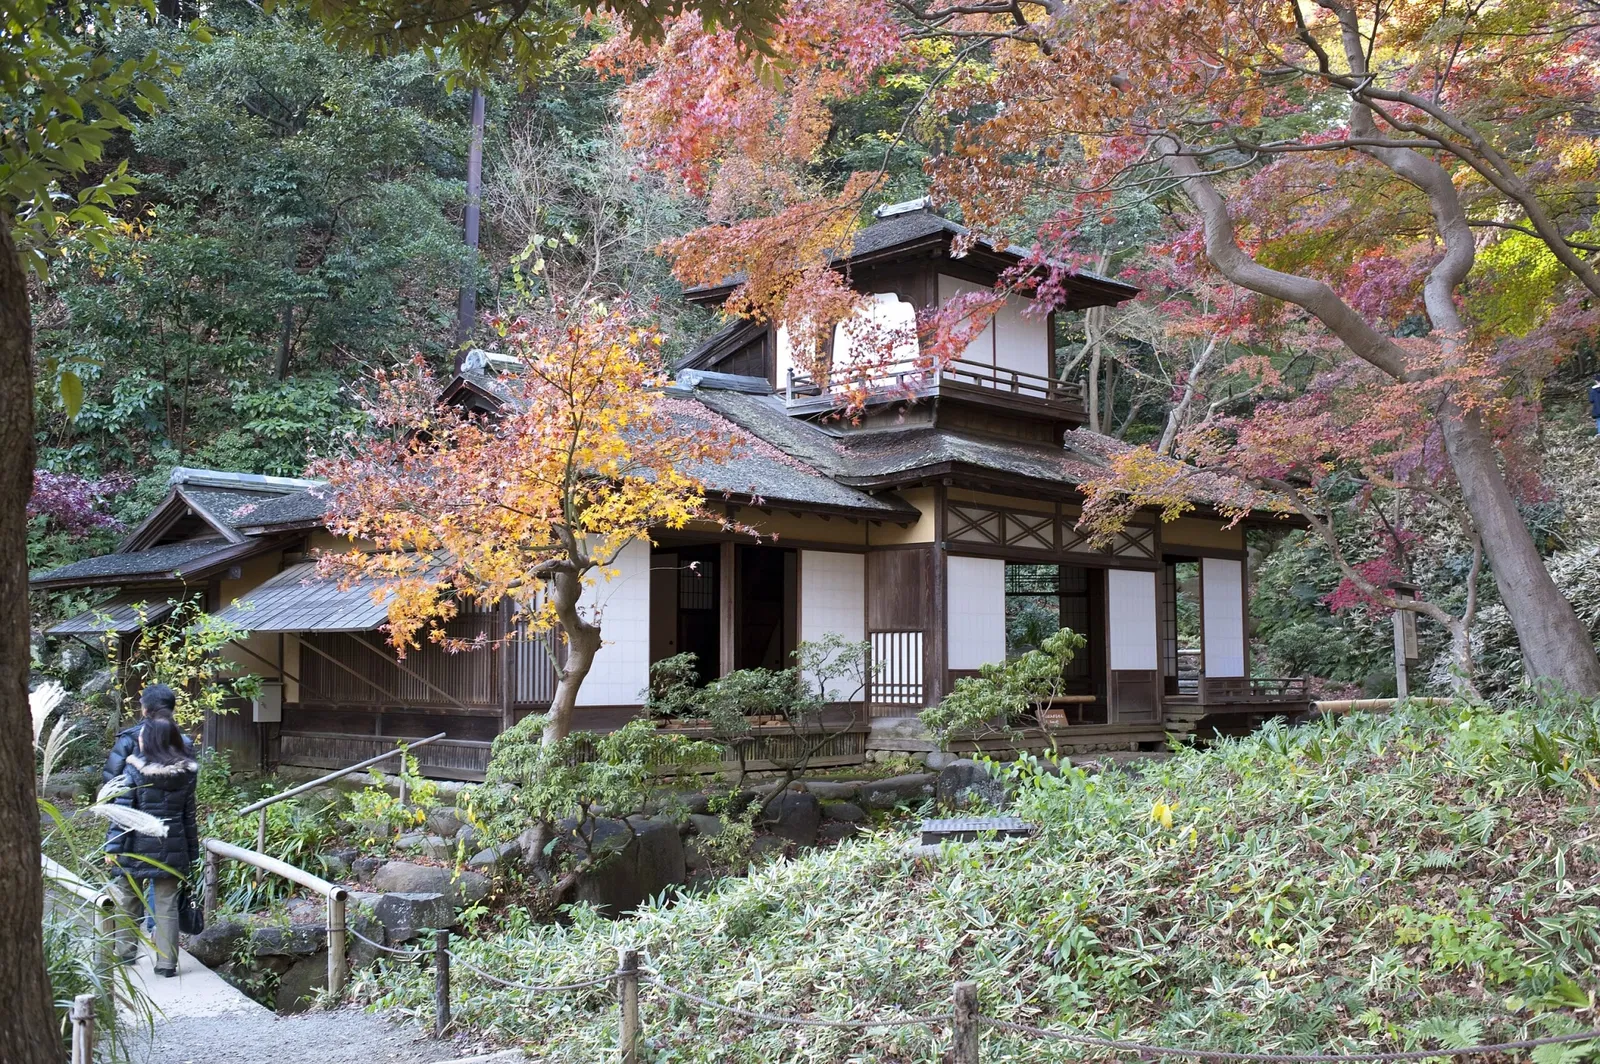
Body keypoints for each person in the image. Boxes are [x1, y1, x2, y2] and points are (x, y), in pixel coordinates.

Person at [104, 716, 199, 977]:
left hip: (134, 844)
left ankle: (125, 954)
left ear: (152, 739)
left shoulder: (133, 769)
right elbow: (189, 816)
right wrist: (192, 851)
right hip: (172, 844)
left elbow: (122, 812)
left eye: (145, 735)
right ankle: (167, 963)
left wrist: (112, 848)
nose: (140, 738)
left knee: (128, 898)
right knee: (167, 904)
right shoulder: (187, 773)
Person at [104, 683, 194, 784]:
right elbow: (190, 785)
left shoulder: (129, 740)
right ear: (172, 709)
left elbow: (111, 782)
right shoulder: (185, 742)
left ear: (145, 710)